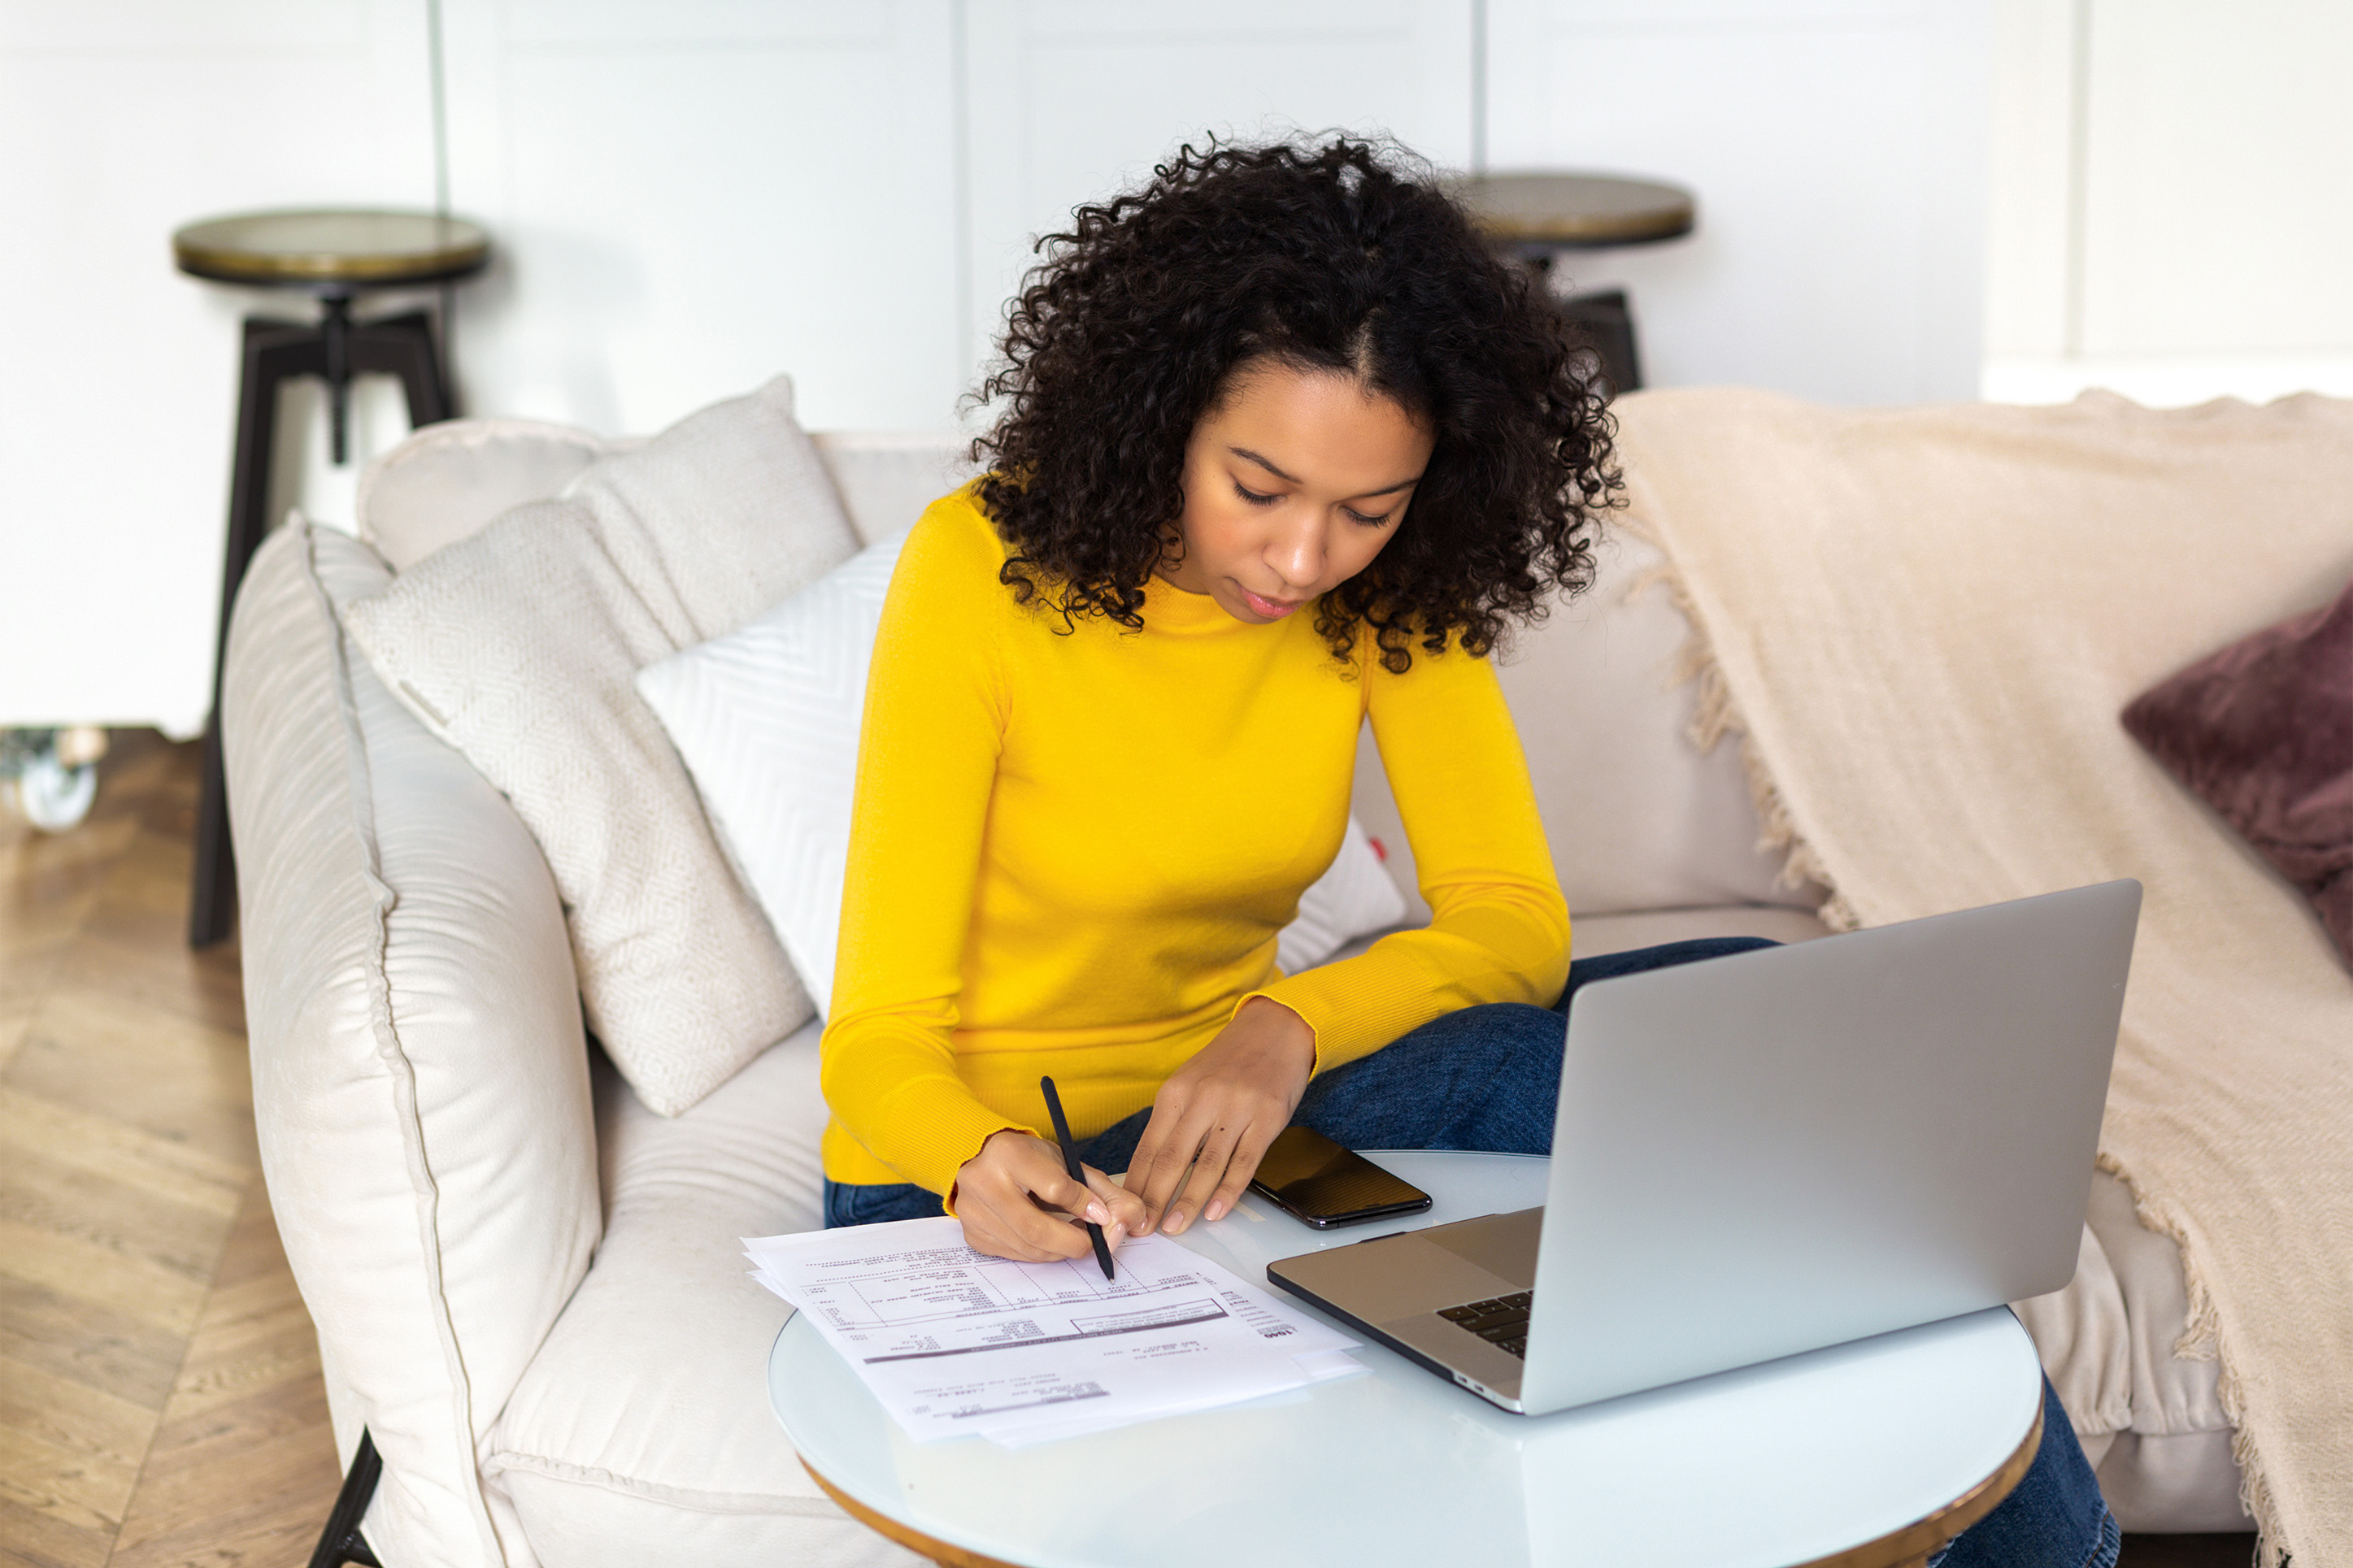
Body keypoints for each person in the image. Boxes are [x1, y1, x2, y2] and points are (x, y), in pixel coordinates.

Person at [816, 137, 2116, 1568]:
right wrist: (970, 1159)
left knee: (1753, 1021)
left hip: (1245, 1105)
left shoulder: (1391, 594)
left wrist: (1284, 1026)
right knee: (1617, 1067)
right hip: (1011, 1171)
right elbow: (873, 1041)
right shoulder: (980, 570)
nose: (1305, 556)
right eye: (1258, 484)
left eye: (1365, 510)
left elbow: (1511, 923)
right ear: (1159, 414)